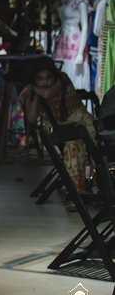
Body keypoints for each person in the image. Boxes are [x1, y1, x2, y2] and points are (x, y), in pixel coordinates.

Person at [19, 56, 96, 210]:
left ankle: (99, 188)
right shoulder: (36, 92)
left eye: (48, 77)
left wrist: (32, 87)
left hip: (82, 122)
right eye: (40, 78)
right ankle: (75, 195)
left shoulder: (62, 79)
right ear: (35, 78)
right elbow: (31, 118)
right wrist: (34, 97)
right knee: (73, 145)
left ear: (54, 75)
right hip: (60, 130)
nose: (45, 82)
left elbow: (48, 93)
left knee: (98, 143)